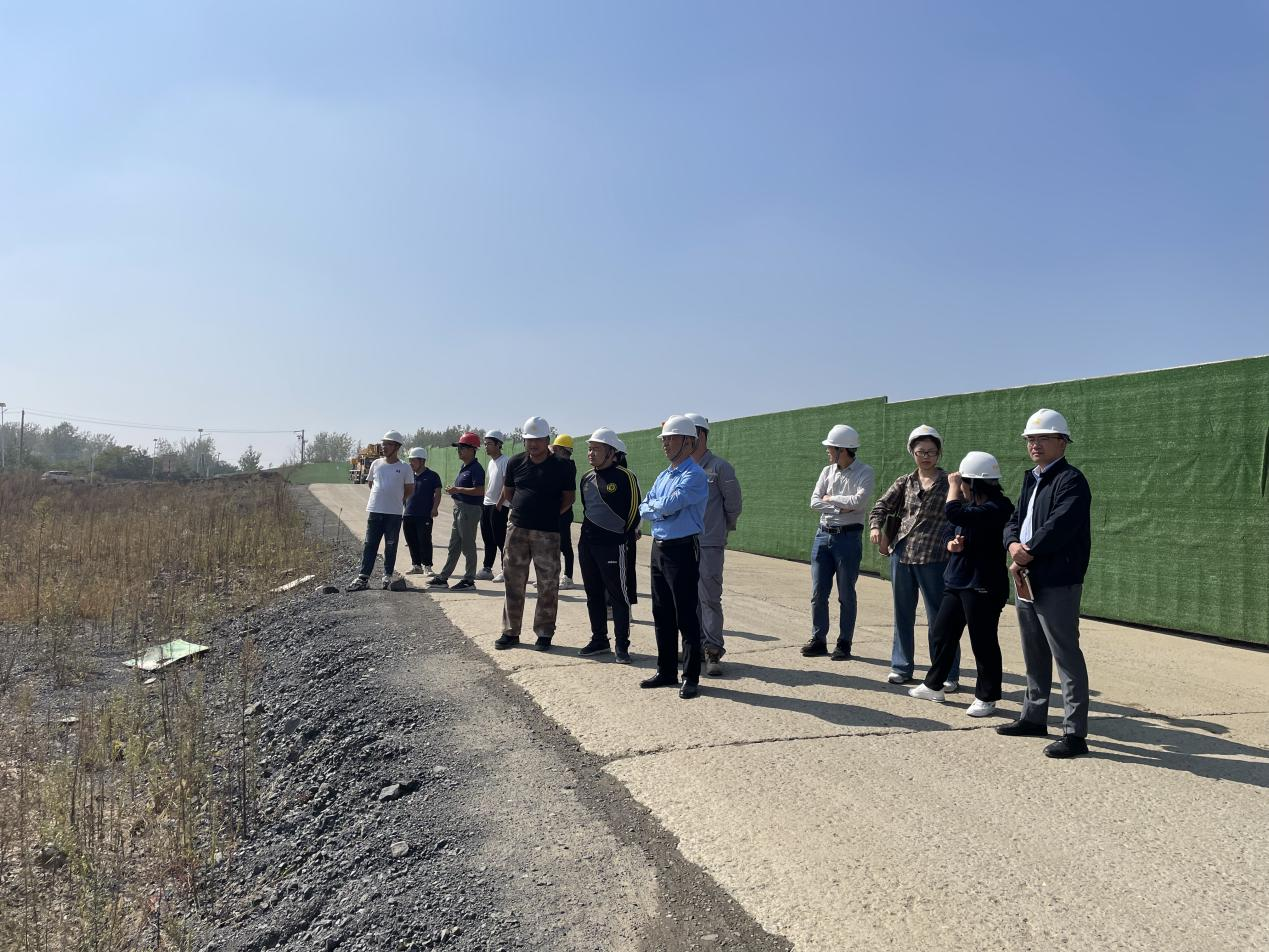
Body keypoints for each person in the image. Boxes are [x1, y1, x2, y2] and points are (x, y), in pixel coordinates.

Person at [998, 409, 1093, 759]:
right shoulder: (1032, 478)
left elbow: (1060, 524)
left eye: (1042, 438)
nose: (1034, 444)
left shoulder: (1071, 480)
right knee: (1034, 651)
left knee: (1065, 654)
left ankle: (1074, 733)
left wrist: (1027, 552)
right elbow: (1015, 518)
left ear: (1062, 442)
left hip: (1056, 579)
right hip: (1027, 576)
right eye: (1030, 439)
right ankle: (1034, 717)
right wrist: (1012, 543)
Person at [908, 452, 1013, 715]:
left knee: (983, 640)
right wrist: (950, 543)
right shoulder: (970, 507)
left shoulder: (999, 507)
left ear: (974, 483)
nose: (960, 488)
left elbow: (953, 513)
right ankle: (934, 684)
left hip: (984, 584)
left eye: (963, 483)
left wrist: (952, 486)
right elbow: (950, 526)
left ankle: (987, 696)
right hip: (957, 580)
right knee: (942, 632)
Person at [869, 425, 959, 688]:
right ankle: (901, 667)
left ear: (939, 453)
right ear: (912, 453)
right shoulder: (904, 482)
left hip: (935, 557)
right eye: (921, 452)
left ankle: (947, 673)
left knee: (940, 619)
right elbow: (881, 505)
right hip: (902, 555)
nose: (926, 456)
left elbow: (961, 512)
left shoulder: (951, 482)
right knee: (903, 614)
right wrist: (875, 527)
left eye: (931, 452)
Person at [638, 415, 709, 699]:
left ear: (688, 441)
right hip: (660, 547)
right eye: (664, 439)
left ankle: (690, 676)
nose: (665, 444)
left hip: (682, 548)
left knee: (686, 614)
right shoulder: (664, 475)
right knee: (662, 611)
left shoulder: (695, 475)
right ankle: (666, 670)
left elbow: (671, 504)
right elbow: (645, 507)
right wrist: (660, 509)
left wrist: (658, 508)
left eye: (671, 438)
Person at [494, 417, 576, 651]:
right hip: (517, 529)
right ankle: (511, 632)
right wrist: (523, 513)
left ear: (547, 440)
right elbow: (509, 492)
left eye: (538, 440)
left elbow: (569, 498)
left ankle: (544, 633)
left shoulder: (562, 466)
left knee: (547, 584)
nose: (533, 444)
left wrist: (548, 515)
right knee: (513, 581)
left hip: (548, 533)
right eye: (529, 440)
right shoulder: (515, 462)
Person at [805, 425, 875, 659]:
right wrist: (840, 507)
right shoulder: (827, 471)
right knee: (818, 592)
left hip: (848, 538)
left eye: (830, 448)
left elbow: (858, 502)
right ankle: (818, 640)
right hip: (822, 536)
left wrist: (831, 499)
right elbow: (814, 502)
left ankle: (844, 643)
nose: (827, 451)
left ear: (842, 450)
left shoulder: (865, 472)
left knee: (846, 593)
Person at [576, 428, 641, 663]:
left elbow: (634, 511)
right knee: (593, 593)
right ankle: (599, 640)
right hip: (587, 544)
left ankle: (622, 645)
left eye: (596, 449)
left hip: (614, 545)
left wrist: (621, 536)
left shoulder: (625, 476)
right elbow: (587, 508)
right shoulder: (586, 478)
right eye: (589, 449)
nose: (591, 453)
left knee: (618, 596)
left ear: (611, 453)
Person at [685, 412, 742, 677]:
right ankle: (692, 648)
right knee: (688, 599)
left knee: (709, 598)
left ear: (701, 435)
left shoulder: (720, 468)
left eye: (689, 435)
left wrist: (719, 530)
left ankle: (713, 650)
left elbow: (733, 506)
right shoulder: (682, 468)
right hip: (684, 543)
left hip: (709, 544)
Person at [347, 430, 413, 591]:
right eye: (383, 444)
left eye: (388, 444)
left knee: (391, 545)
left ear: (397, 447)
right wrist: (382, 497)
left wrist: (395, 499)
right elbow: (371, 484)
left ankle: (387, 576)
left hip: (394, 514)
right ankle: (363, 578)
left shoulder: (404, 467)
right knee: (370, 544)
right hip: (375, 511)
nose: (384, 447)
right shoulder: (376, 464)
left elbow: (409, 489)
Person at [428, 432, 485, 590]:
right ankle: (443, 577)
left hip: (469, 510)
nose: (459, 451)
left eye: (463, 448)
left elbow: (480, 490)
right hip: (459, 508)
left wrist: (458, 489)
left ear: (473, 449)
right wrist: (455, 490)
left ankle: (469, 580)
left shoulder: (476, 469)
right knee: (454, 546)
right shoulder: (464, 467)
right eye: (458, 448)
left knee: (468, 545)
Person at [403, 447, 442, 576]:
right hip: (408, 514)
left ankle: (427, 566)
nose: (411, 463)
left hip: (424, 515)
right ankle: (416, 566)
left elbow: (437, 493)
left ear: (422, 461)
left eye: (413, 461)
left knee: (424, 540)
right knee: (411, 541)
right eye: (410, 460)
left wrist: (435, 508)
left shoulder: (432, 476)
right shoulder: (409, 476)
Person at [476, 430, 509, 582]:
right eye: (485, 444)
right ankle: (487, 568)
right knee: (488, 538)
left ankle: (505, 570)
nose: (486, 447)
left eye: (489, 444)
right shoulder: (490, 462)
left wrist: (500, 503)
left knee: (500, 539)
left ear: (498, 444)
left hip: (499, 505)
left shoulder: (505, 461)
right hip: (487, 504)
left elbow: (507, 484)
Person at [551, 434, 578, 589]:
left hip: (563, 513)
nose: (553, 452)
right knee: (552, 546)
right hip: (555, 512)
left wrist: (560, 511)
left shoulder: (568, 466)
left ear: (562, 450)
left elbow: (570, 498)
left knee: (565, 546)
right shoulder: (558, 464)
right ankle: (552, 575)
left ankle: (568, 577)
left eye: (555, 449)